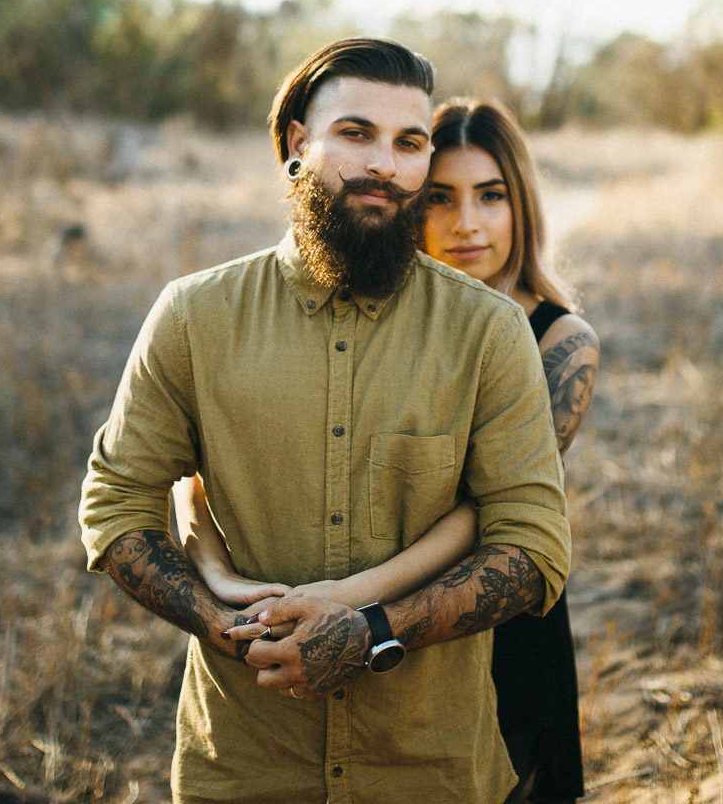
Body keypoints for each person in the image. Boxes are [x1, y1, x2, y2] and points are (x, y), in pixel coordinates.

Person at [77, 38, 571, 804]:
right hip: (244, 768)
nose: (384, 165)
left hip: (431, 773)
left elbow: (534, 546)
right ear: (297, 145)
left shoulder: (489, 332)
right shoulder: (194, 317)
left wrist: (374, 633)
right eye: (356, 133)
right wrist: (219, 623)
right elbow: (116, 504)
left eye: (409, 143)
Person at [179, 96, 600, 803]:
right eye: (441, 198)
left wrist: (345, 601)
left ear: (522, 206)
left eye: (491, 196)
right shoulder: (355, 315)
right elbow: (207, 452)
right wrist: (219, 574)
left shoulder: (557, 340)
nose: (466, 223)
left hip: (487, 614)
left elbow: (484, 512)